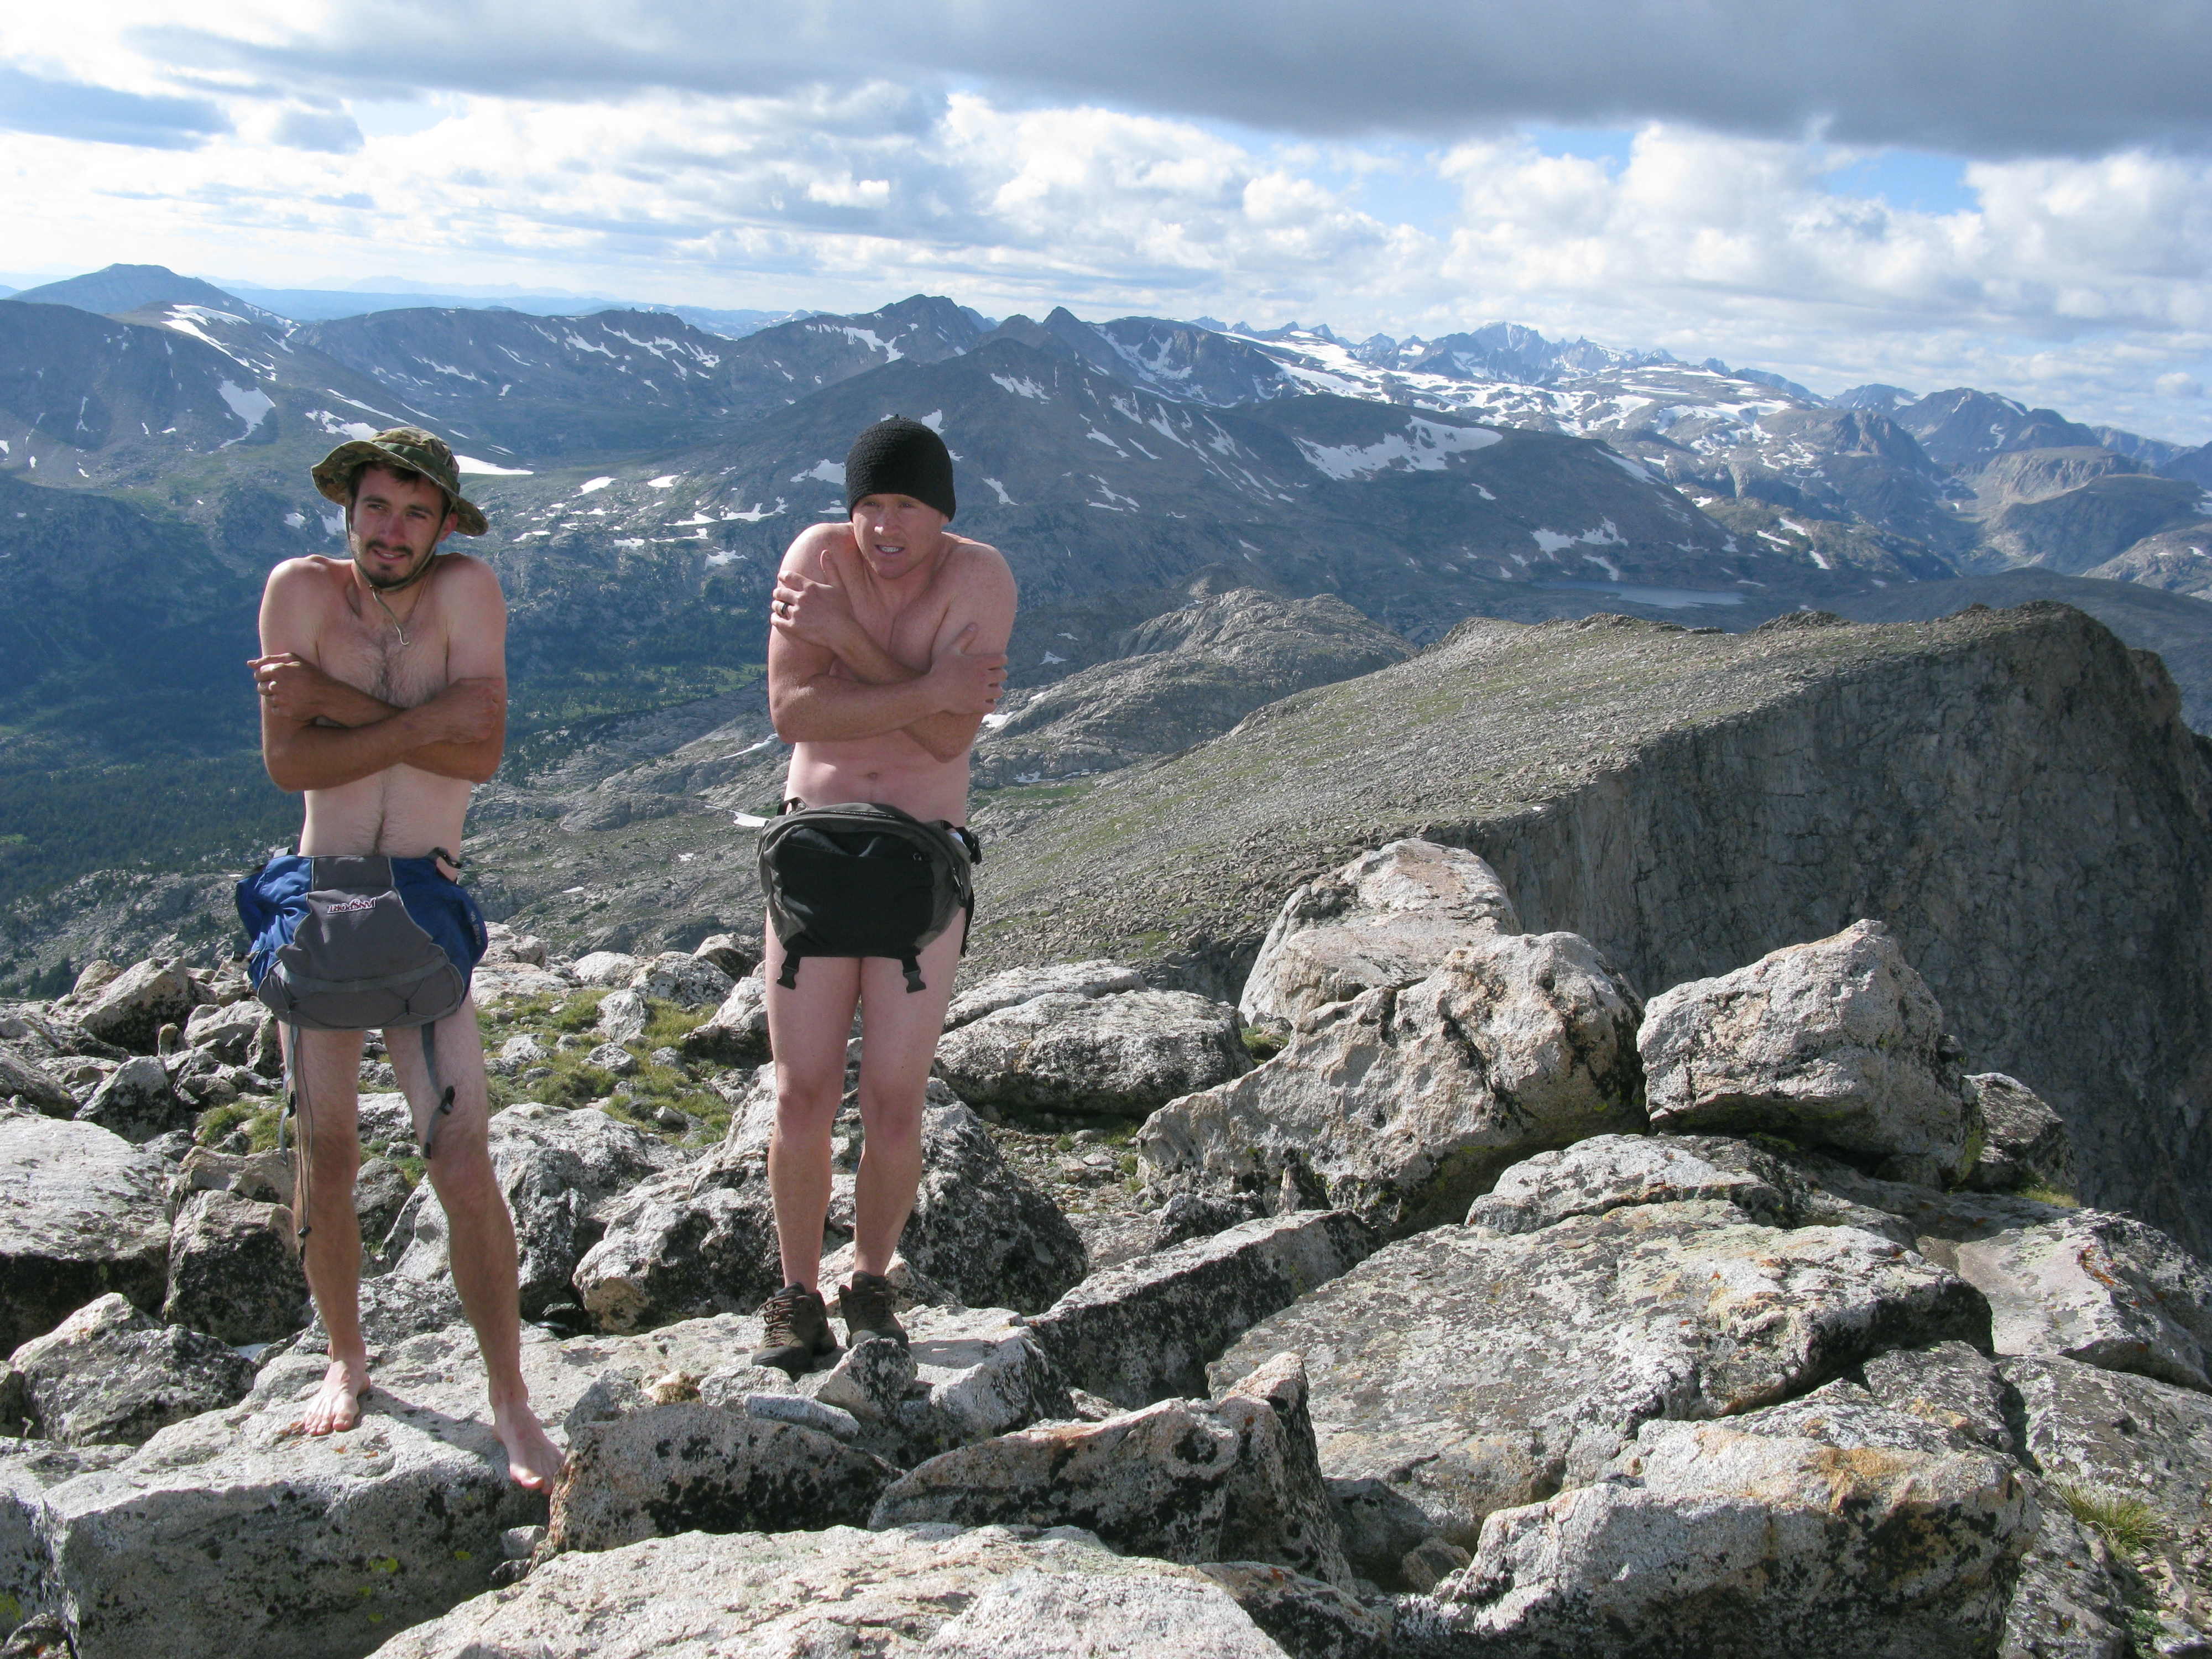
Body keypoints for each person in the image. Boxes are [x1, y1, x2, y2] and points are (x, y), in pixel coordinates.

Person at [243, 427, 562, 1490]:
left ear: (445, 524)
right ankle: (346, 1359)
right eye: (377, 507)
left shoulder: (468, 593)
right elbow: (289, 757)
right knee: (326, 1157)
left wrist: (340, 708)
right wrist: (418, 718)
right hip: (321, 899)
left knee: (460, 1160)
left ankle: (510, 1400)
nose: (392, 529)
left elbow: (481, 753)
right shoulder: (299, 590)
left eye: (415, 513)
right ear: (349, 508)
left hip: (425, 901)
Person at [752, 415, 1016, 1375]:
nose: (883, 525)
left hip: (922, 866)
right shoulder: (815, 557)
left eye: (904, 504)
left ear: (941, 512)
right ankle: (795, 1293)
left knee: (895, 1096)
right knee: (802, 1092)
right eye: (868, 504)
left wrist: (841, 644)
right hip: (813, 853)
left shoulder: (979, 579)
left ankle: (869, 1282)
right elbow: (793, 710)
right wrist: (926, 681)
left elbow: (950, 743)